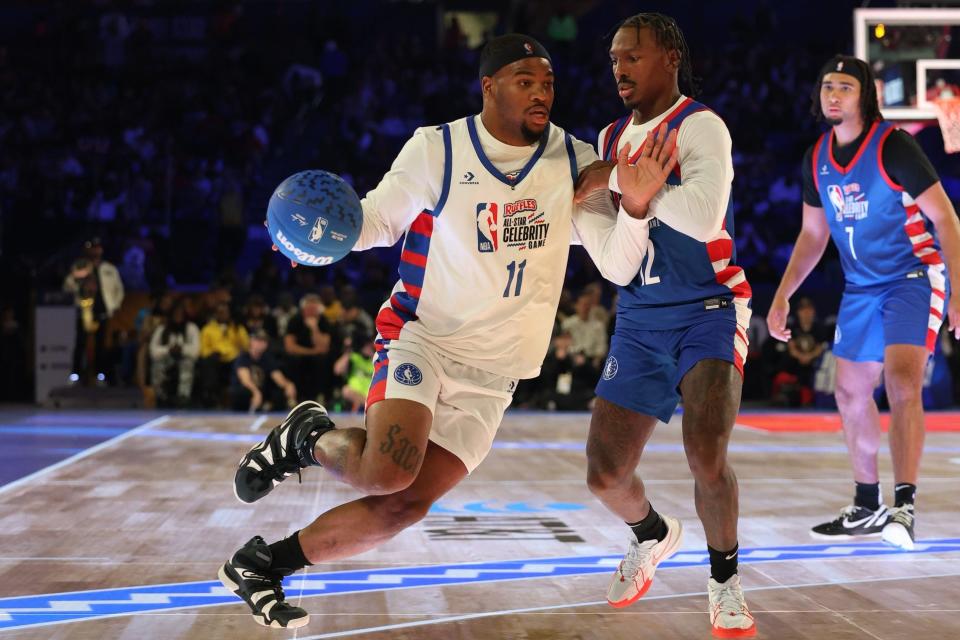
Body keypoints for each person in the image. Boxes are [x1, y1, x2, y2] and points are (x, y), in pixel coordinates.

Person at [218, 33, 675, 629]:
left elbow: (614, 262)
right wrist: (324, 236)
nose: (542, 93)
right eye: (526, 81)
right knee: (388, 469)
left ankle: (263, 565)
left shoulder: (572, 158)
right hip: (424, 337)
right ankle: (307, 438)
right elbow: (378, 220)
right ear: (489, 86)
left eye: (549, 83)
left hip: (497, 373)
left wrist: (632, 204)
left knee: (404, 505)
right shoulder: (438, 148)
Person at [573, 13, 755, 636]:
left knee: (706, 454)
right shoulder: (608, 136)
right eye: (614, 59)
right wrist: (632, 195)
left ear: (670, 56)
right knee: (604, 474)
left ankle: (725, 581)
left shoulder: (701, 125)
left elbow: (706, 218)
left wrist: (632, 187)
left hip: (710, 306)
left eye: (633, 56)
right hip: (641, 316)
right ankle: (652, 534)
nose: (620, 68)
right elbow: (620, 249)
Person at [767, 55, 960, 550]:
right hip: (861, 286)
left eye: (845, 87)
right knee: (850, 393)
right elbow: (813, 234)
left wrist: (958, 289)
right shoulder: (817, 159)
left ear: (865, 95)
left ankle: (905, 506)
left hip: (913, 277)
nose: (833, 93)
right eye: (827, 85)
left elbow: (947, 221)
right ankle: (867, 504)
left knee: (900, 382)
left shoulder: (895, 147)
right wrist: (783, 294)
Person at [62, 238, 125, 385]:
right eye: (91, 248)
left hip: (103, 311)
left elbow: (119, 290)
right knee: (80, 343)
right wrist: (79, 289)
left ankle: (100, 376)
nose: (95, 251)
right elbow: (67, 286)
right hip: (84, 310)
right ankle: (75, 375)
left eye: (97, 248)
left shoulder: (109, 268)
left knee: (101, 345)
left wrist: (114, 306)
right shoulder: (79, 267)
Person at [283, 293, 335, 403]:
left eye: (314, 309)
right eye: (309, 308)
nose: (311, 312)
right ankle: (295, 398)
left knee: (323, 360)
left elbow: (324, 347)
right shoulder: (294, 320)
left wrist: (314, 329)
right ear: (303, 309)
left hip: (318, 356)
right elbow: (289, 347)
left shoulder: (323, 321)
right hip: (301, 354)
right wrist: (312, 352)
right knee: (293, 360)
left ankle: (321, 396)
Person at [148, 299, 200, 407]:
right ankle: (161, 396)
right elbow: (153, 350)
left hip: (184, 358)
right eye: (175, 314)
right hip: (167, 358)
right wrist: (168, 350)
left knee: (187, 364)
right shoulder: (162, 329)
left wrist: (182, 349)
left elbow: (196, 350)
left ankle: (183, 397)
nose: (178, 317)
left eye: (180, 314)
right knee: (157, 364)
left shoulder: (191, 328)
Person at [230, 330, 296, 412]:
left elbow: (277, 377)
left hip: (262, 392)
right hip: (247, 391)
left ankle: (266, 406)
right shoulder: (243, 357)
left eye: (264, 341)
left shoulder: (267, 358)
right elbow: (245, 381)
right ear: (251, 341)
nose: (261, 344)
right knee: (242, 393)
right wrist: (256, 392)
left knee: (278, 394)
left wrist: (287, 385)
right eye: (258, 340)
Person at [198, 302, 249, 407]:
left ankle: (236, 397)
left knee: (240, 362)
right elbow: (203, 350)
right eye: (220, 312)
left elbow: (246, 346)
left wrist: (237, 332)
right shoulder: (208, 329)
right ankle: (211, 397)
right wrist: (214, 353)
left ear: (229, 313)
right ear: (216, 314)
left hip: (233, 359)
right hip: (216, 358)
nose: (223, 315)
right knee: (208, 363)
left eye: (225, 312)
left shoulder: (237, 328)